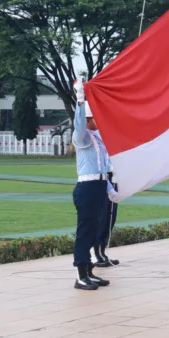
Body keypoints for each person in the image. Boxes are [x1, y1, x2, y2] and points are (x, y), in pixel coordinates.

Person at [71, 79, 113, 291]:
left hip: (98, 187)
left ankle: (89, 271)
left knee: (96, 230)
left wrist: (110, 189)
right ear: (87, 119)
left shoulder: (98, 137)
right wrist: (80, 100)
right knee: (85, 231)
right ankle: (80, 274)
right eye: (94, 117)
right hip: (86, 189)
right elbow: (78, 124)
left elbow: (104, 165)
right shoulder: (81, 136)